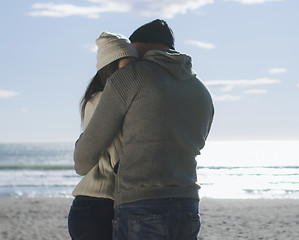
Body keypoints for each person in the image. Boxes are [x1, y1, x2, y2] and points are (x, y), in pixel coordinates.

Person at [73, 19, 214, 239]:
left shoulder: (131, 77)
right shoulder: (201, 89)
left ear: (140, 45)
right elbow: (199, 141)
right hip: (188, 205)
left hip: (141, 204)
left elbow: (83, 160)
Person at [68, 32, 138, 240]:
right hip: (99, 206)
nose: (134, 71)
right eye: (127, 64)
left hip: (93, 206)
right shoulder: (104, 102)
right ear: (111, 67)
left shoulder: (96, 99)